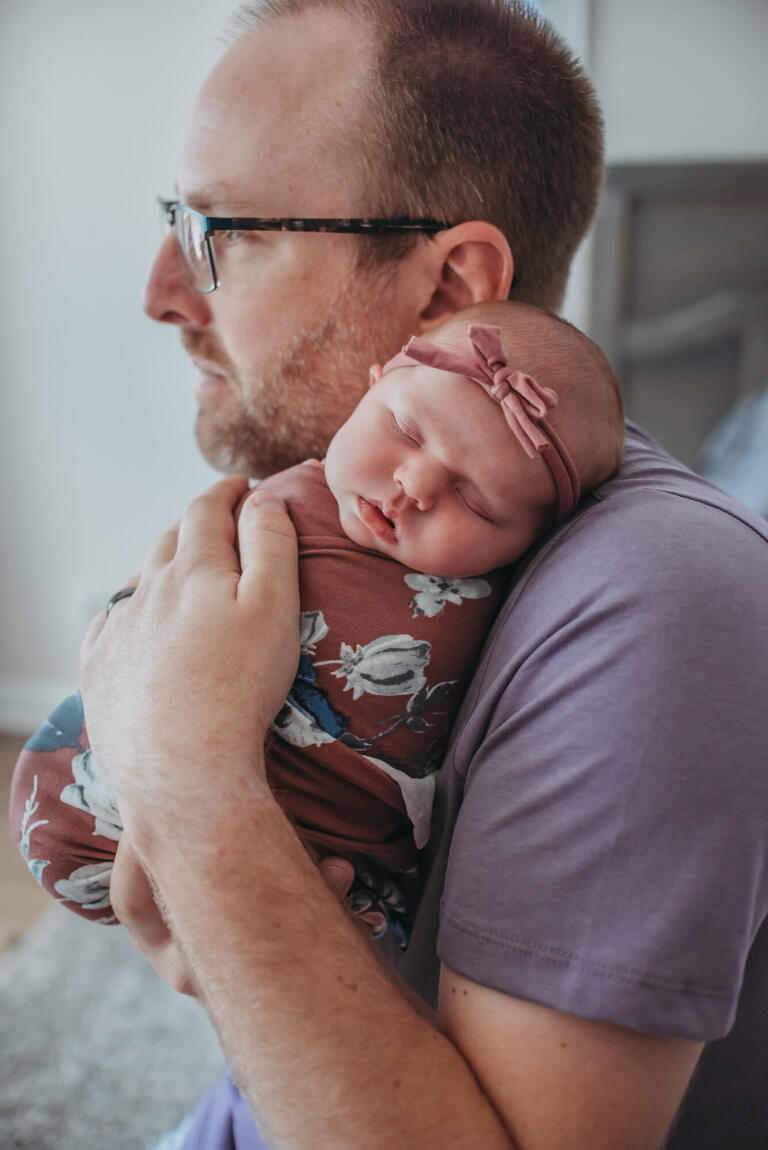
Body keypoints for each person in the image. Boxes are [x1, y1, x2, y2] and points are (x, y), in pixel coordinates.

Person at [22, 0, 768, 1147]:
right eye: (179, 220)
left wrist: (187, 779)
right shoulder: (385, 546)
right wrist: (231, 934)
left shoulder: (667, 599)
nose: (164, 290)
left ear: (443, 290)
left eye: (231, 232)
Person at [11, 300, 625, 944]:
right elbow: (171, 589)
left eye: (476, 500)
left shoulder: (509, 606)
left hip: (327, 848)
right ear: (373, 385)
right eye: (408, 431)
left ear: (530, 544)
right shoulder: (284, 501)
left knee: (359, 939)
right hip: (118, 767)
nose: (414, 482)